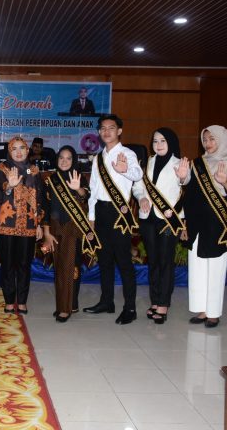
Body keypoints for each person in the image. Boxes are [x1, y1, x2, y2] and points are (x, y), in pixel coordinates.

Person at [177, 125, 227, 328]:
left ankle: (213, 313)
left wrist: (225, 183)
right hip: (196, 223)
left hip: (217, 224)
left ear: (222, 140)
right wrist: (182, 178)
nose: (208, 143)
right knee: (197, 267)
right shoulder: (197, 164)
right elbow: (190, 195)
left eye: (212, 139)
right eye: (205, 139)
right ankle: (202, 310)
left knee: (215, 268)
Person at [83, 114, 143, 325]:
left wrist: (125, 170)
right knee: (104, 260)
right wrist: (91, 217)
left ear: (119, 131)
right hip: (101, 212)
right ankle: (106, 302)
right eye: (102, 128)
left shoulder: (128, 154)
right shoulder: (98, 158)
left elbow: (138, 174)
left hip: (119, 213)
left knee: (124, 261)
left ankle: (130, 308)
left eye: (111, 127)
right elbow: (93, 189)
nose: (106, 131)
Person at [135, 128, 187, 324]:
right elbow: (138, 186)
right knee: (154, 262)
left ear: (171, 142)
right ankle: (155, 301)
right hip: (147, 218)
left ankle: (164, 304)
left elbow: (186, 184)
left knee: (166, 262)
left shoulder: (180, 164)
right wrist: (141, 198)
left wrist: (183, 177)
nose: (158, 144)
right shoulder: (148, 162)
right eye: (155, 141)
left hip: (168, 219)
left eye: (163, 141)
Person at [0, 137, 44, 315]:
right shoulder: (2, 168)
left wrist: (39, 224)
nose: (19, 152)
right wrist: (10, 185)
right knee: (7, 264)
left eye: (22, 148)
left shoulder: (34, 170)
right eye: (14, 149)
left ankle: (21, 301)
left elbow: (39, 199)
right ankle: (9, 301)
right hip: (7, 223)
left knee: (24, 265)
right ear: (9, 151)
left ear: (28, 150)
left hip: (29, 224)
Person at [41, 145, 93, 323]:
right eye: (61, 158)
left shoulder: (78, 177)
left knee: (71, 267)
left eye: (68, 158)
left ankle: (65, 308)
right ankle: (68, 304)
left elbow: (86, 197)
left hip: (73, 228)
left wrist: (78, 189)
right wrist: (47, 233)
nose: (64, 161)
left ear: (74, 160)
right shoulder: (50, 180)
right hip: (55, 228)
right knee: (59, 268)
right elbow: (45, 208)